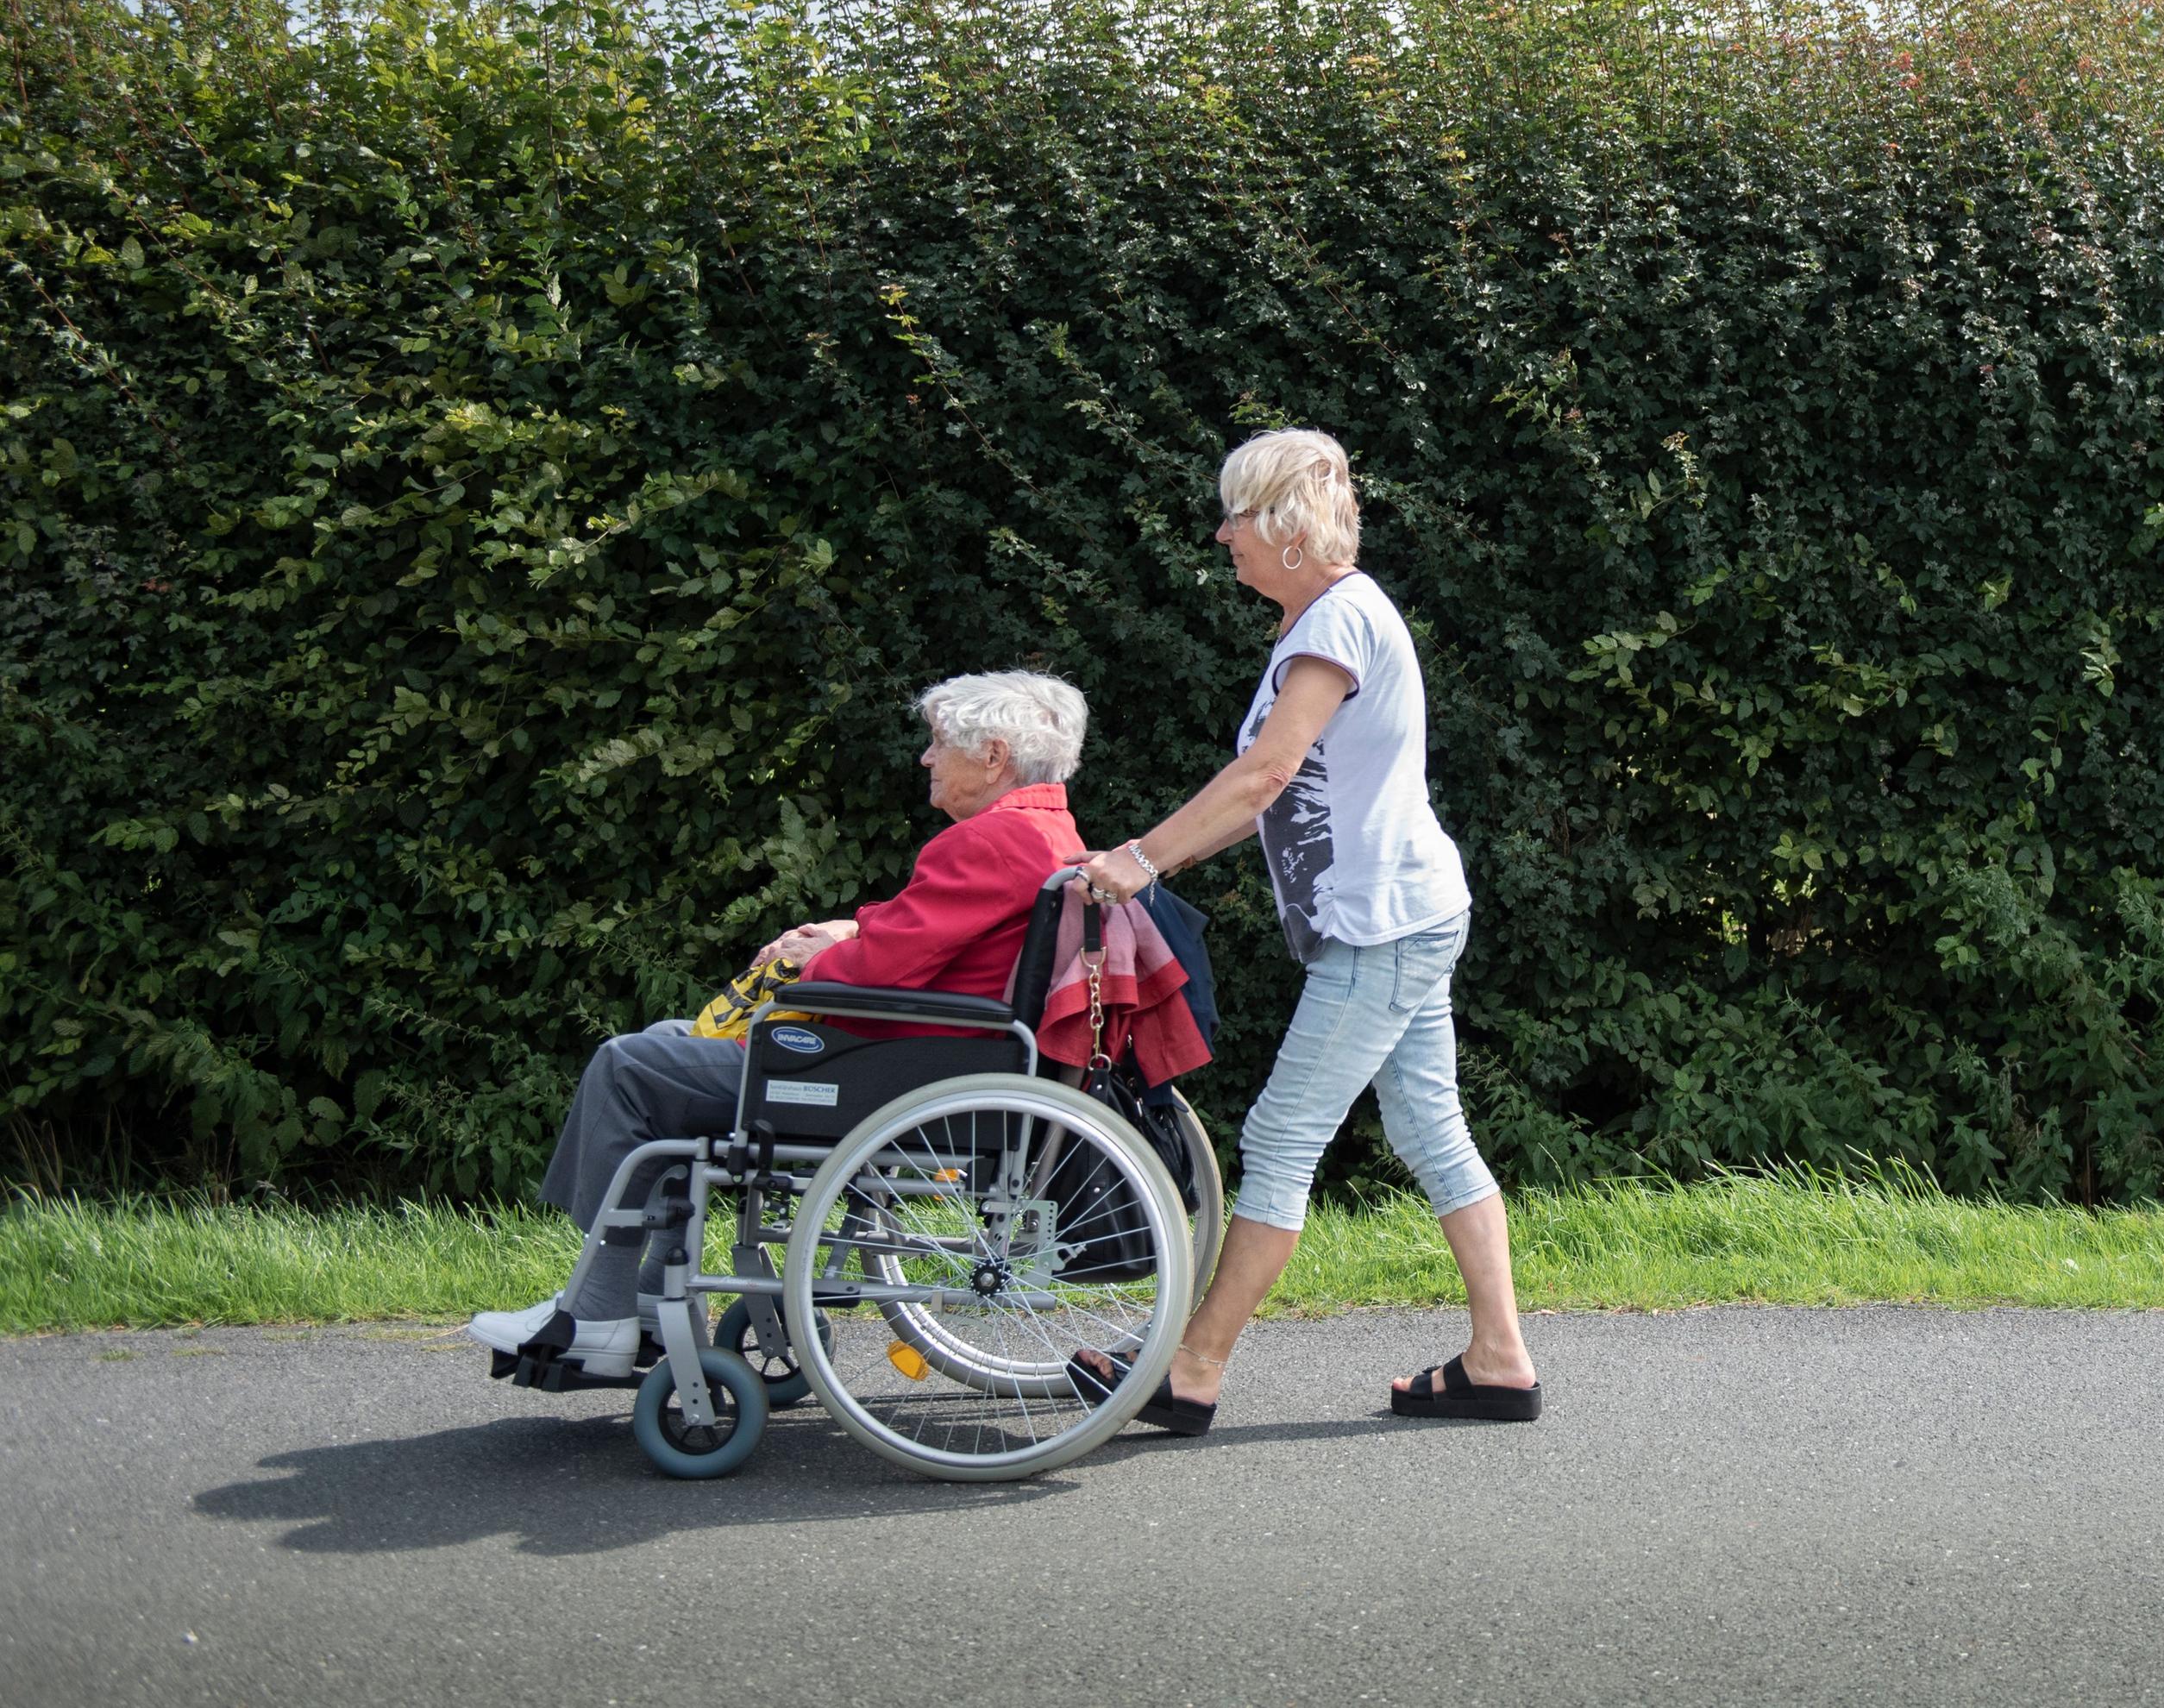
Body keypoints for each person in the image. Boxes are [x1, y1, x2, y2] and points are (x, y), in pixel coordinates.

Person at [1071, 428, 1539, 1431]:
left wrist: (1140, 859)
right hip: (1401, 915)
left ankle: (1190, 1368)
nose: (1222, 532)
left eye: (1237, 514)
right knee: (1429, 1129)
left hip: (1385, 928)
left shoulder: (1336, 623)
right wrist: (1151, 855)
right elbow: (1260, 799)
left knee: (1281, 1138)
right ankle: (1499, 1358)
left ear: (1286, 526)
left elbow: (1266, 772)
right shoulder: (1323, 620)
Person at [464, 671, 1095, 1376]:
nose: (925, 757)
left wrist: (800, 970)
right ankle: (641, 1301)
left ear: (993, 756)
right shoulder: (1047, 831)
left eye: (937, 742)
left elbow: (882, 969)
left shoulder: (991, 840)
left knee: (630, 1065)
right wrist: (849, 929)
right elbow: (932, 936)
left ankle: (597, 1306)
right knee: (674, 1046)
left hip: (883, 1069)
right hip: (934, 1059)